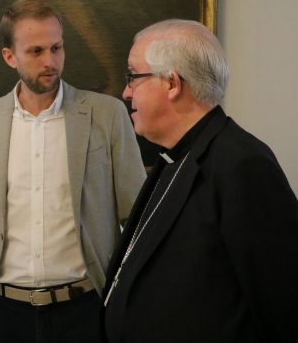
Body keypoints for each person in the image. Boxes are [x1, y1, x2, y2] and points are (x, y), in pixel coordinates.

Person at [0, 0, 146, 343]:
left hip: (86, 310)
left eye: (57, 48)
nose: (50, 61)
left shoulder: (107, 114)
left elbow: (137, 218)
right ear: (10, 57)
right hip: (1, 314)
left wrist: (123, 297)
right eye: (36, 51)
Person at [102, 19, 298, 342]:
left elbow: (283, 303)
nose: (125, 92)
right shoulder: (176, 155)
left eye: (133, 76)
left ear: (172, 84)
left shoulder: (243, 165)